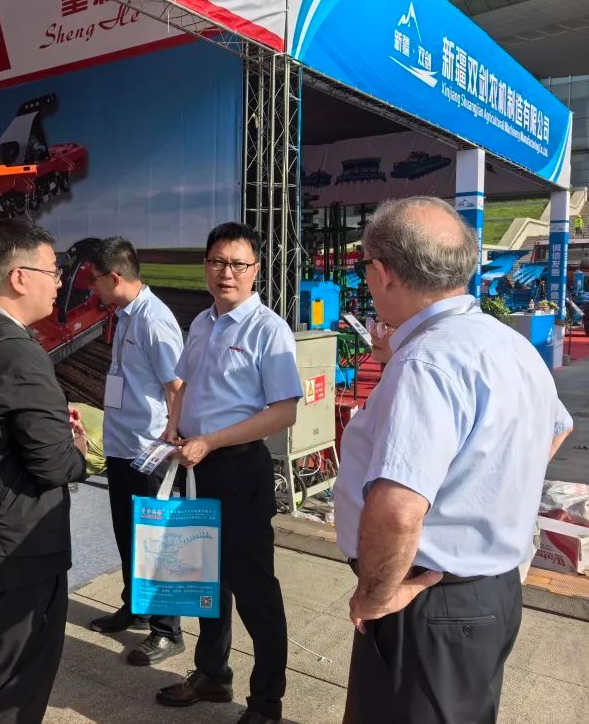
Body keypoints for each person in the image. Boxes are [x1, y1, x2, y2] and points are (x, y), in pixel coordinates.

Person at [334, 196, 574, 724]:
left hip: (424, 603)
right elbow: (559, 428)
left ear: (383, 273)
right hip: (487, 593)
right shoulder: (507, 343)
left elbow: (398, 510)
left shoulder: (426, 362)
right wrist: (489, 495)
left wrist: (375, 596)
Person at [0, 218, 90, 724]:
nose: (59, 282)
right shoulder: (20, 356)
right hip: (18, 550)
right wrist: (77, 445)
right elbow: (54, 465)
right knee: (11, 690)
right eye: (52, 271)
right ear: (20, 277)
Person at [156, 222, 302, 724]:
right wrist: (174, 427)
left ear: (256, 270)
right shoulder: (202, 322)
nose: (227, 273)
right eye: (218, 262)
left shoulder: (268, 329)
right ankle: (212, 674)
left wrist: (211, 440)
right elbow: (184, 383)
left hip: (239, 470)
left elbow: (284, 412)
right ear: (206, 266)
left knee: (255, 591)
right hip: (195, 465)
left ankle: (266, 703)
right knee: (207, 580)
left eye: (239, 264)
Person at [85, 236, 185, 666]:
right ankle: (137, 608)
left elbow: (177, 386)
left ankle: (168, 631)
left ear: (115, 277)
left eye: (94, 279)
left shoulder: (154, 320)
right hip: (123, 446)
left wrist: (171, 436)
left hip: (148, 451)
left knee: (155, 543)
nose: (92, 287)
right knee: (128, 535)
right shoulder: (127, 315)